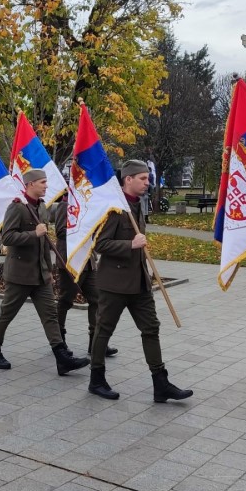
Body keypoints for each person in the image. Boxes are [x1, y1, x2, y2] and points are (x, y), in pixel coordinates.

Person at [87, 160, 190, 402]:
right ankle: (96, 379)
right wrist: (130, 244)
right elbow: (99, 244)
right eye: (142, 178)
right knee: (104, 331)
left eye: (147, 178)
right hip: (114, 283)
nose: (147, 183)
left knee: (151, 328)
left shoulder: (137, 205)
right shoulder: (114, 209)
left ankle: (161, 383)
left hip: (139, 282)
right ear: (128, 179)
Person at [0, 169, 90, 375]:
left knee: (50, 314)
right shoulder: (17, 207)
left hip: (40, 274)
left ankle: (61, 357)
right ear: (30, 184)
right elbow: (7, 238)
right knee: (7, 313)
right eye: (42, 182)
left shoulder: (41, 207)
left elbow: (44, 244)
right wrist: (34, 233)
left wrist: (48, 269)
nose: (46, 186)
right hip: (20, 273)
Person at [51, 191, 116, 358]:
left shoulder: (87, 206)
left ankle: (95, 343)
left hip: (88, 261)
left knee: (97, 299)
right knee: (65, 300)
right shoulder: (65, 205)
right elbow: (60, 232)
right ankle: (59, 341)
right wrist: (84, 228)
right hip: (70, 261)